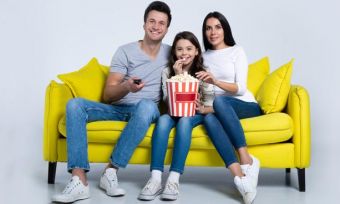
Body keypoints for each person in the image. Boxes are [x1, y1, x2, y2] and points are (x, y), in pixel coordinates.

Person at [52, 1, 172, 203]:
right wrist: (127, 86)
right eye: (152, 21)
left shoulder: (171, 53)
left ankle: (110, 172)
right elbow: (108, 95)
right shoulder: (125, 51)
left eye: (161, 23)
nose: (156, 26)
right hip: (117, 108)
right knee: (74, 105)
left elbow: (192, 59)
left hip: (145, 111)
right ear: (144, 25)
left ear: (167, 29)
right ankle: (79, 180)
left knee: (146, 106)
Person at [195, 11, 262, 204]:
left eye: (217, 27)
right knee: (208, 118)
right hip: (218, 108)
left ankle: (246, 158)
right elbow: (206, 90)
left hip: (245, 105)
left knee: (220, 101)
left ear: (225, 29)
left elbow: (240, 88)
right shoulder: (204, 57)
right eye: (208, 28)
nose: (213, 32)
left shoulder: (236, 51)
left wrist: (215, 81)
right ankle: (241, 178)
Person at [138, 31, 214, 201]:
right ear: (174, 52)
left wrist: (201, 106)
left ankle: (173, 179)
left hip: (194, 114)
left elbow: (210, 102)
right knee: (163, 120)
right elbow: (167, 99)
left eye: (189, 48)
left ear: (196, 51)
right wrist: (177, 75)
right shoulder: (167, 71)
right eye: (179, 49)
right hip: (173, 112)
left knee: (185, 122)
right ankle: (155, 178)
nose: (184, 53)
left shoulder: (203, 72)